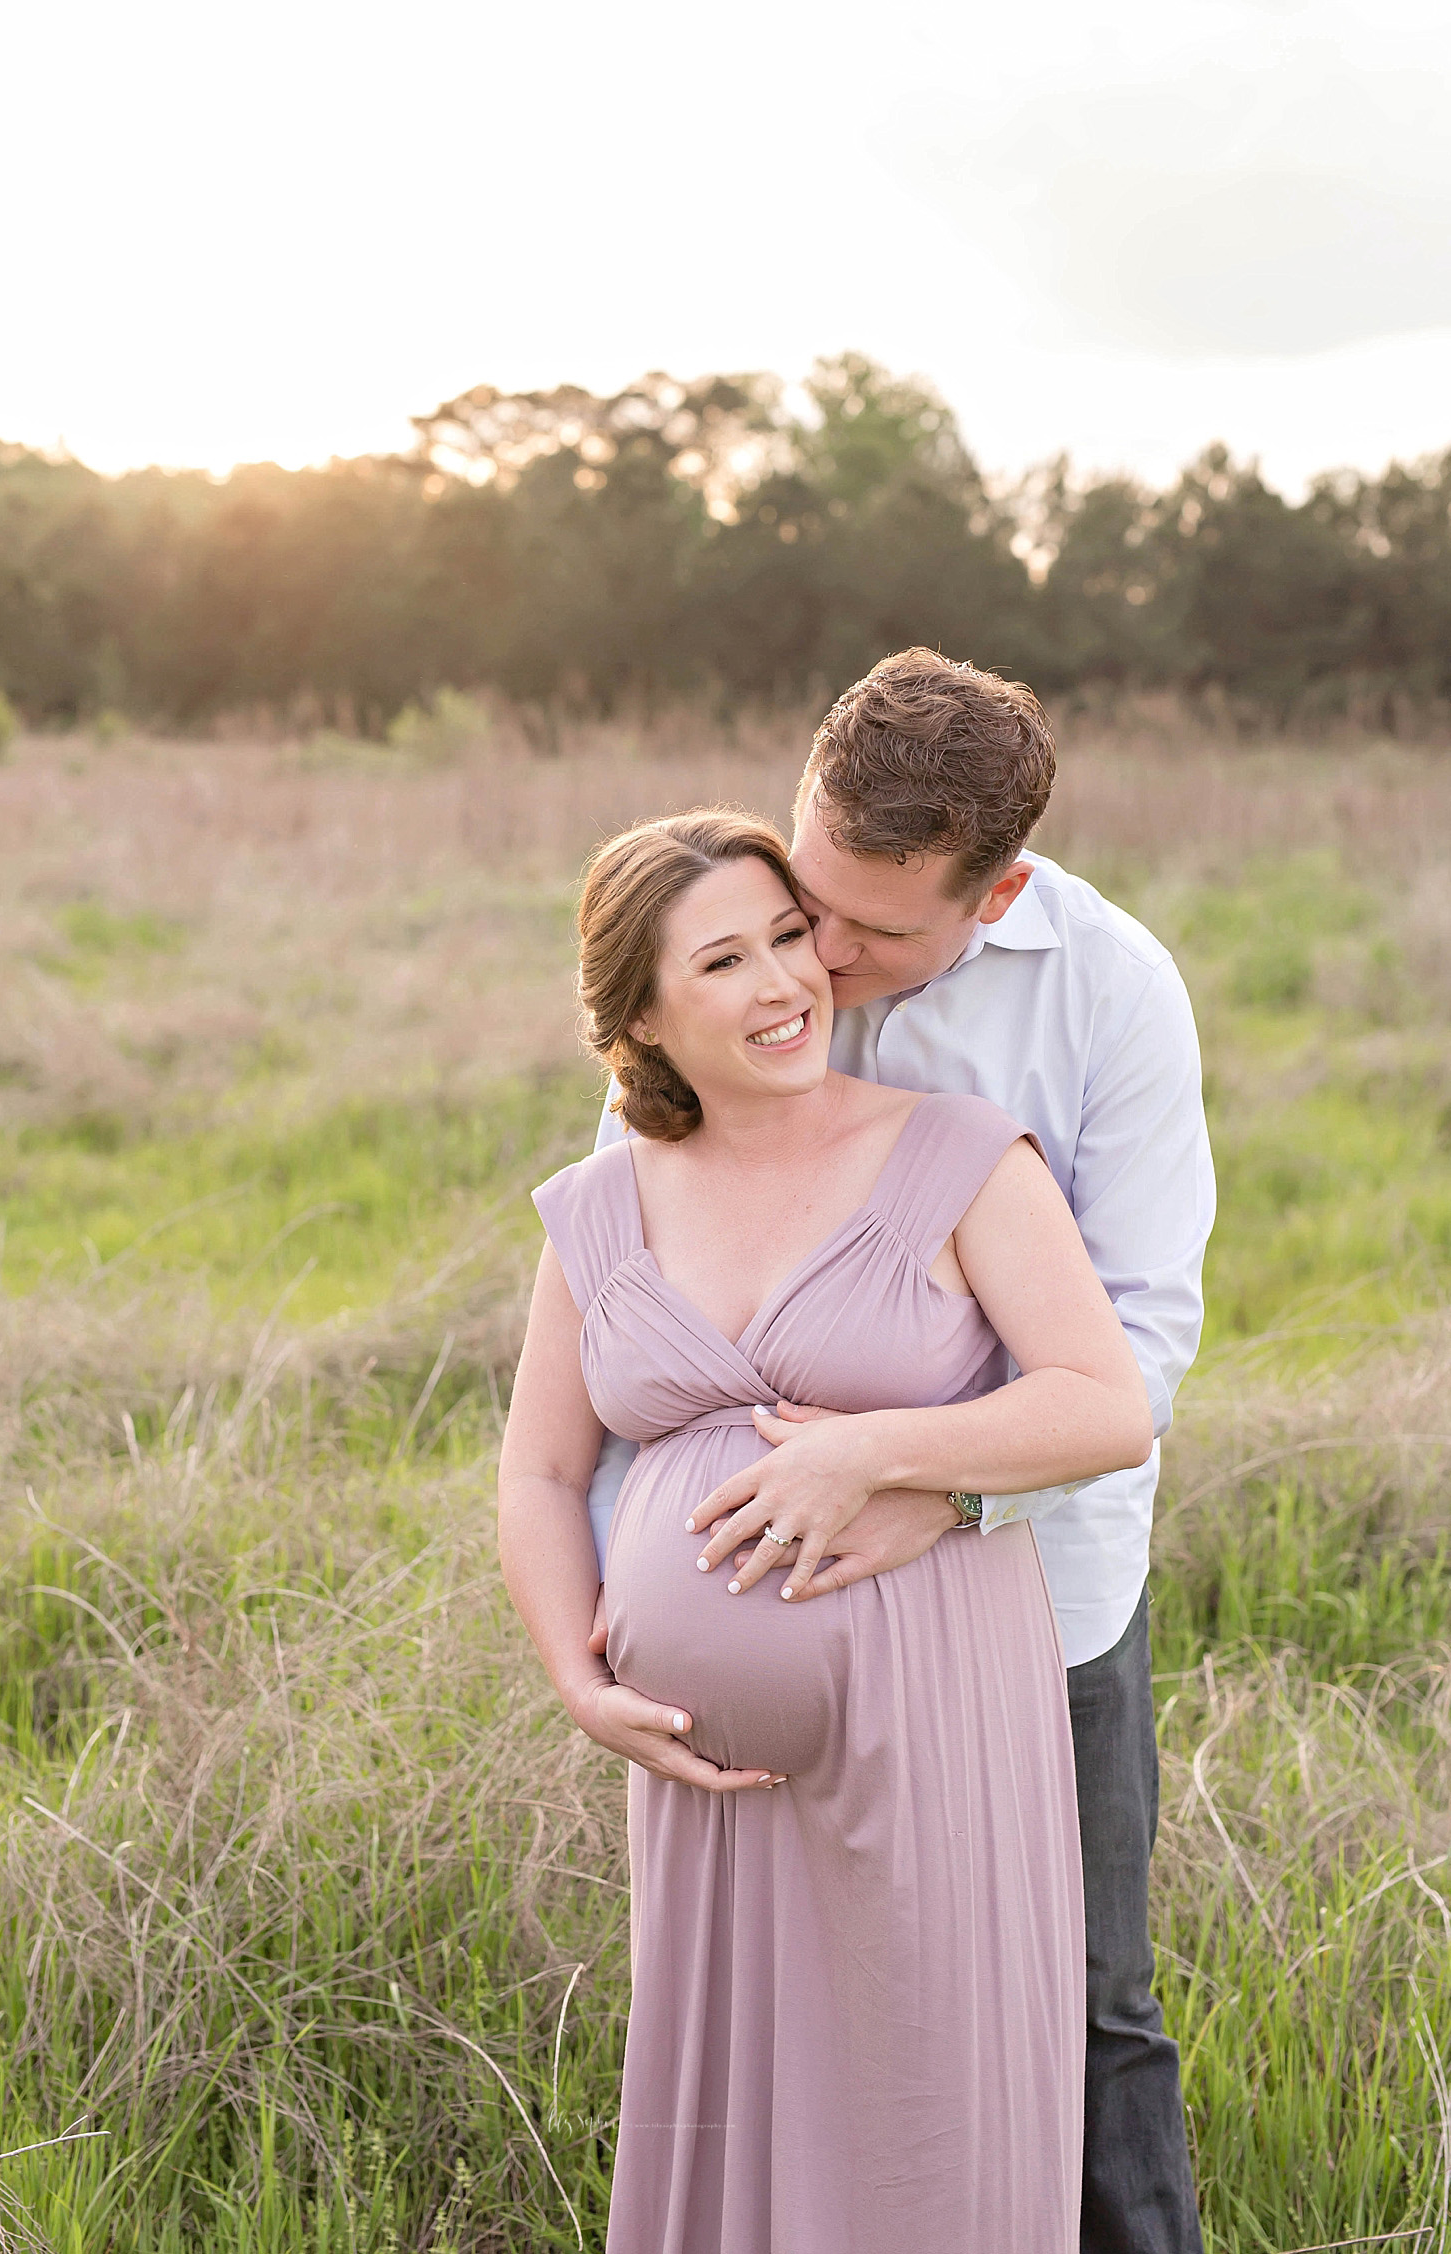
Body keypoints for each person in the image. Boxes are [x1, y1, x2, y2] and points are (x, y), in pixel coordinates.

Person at [584, 653, 1216, 2254]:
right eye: (812, 900)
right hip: (745, 1650)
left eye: (876, 932)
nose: (825, 958)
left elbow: (1136, 1339)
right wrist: (623, 1604)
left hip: (1034, 1600)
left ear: (994, 891)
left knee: (1079, 1997)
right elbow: (626, 1282)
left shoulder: (1111, 992)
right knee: (785, 2007)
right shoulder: (748, 942)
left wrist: (924, 1483)